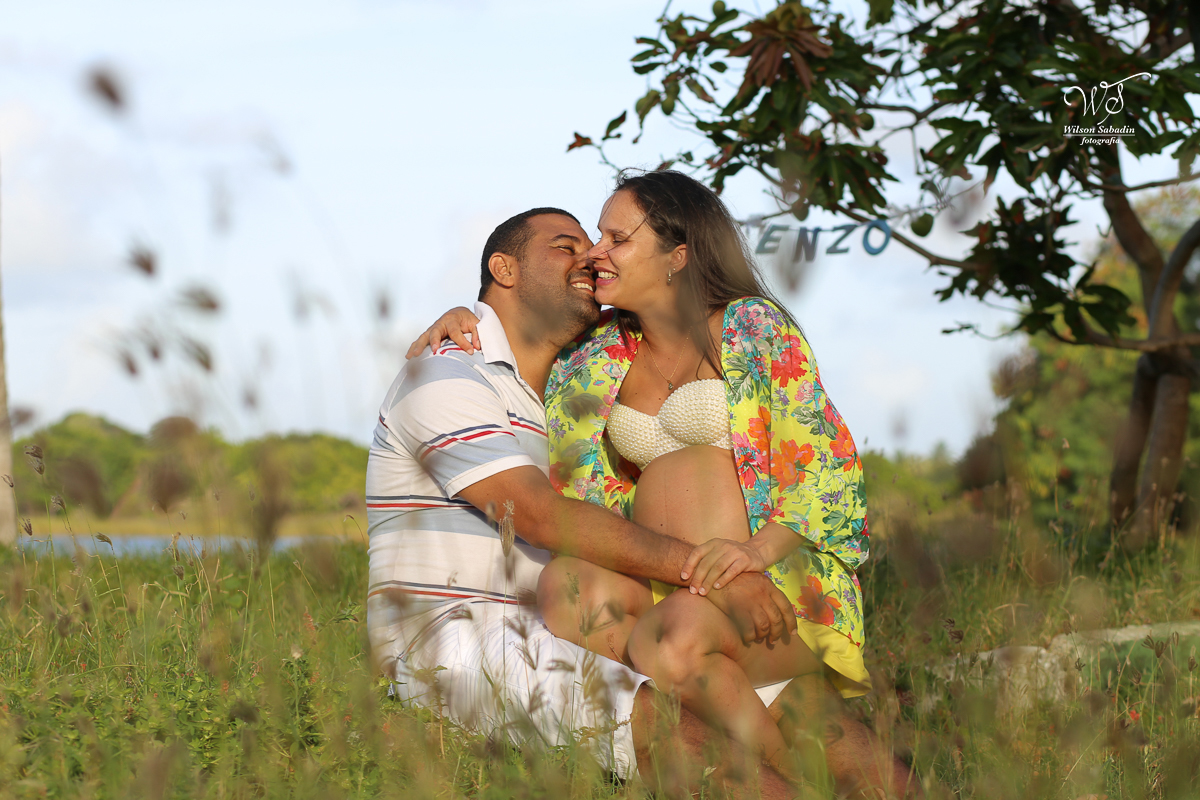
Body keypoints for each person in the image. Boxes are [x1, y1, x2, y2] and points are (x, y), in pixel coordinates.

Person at [408, 174, 922, 798]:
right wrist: (471, 317)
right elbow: (528, 363)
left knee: (711, 659)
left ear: (678, 256)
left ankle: (793, 774)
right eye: (595, 237)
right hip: (665, 585)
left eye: (616, 237)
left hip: (763, 578)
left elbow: (825, 465)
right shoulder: (595, 356)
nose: (597, 251)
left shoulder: (751, 329)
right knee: (566, 585)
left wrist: (751, 561)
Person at [369, 205, 804, 798]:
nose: (590, 256)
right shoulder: (446, 375)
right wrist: (715, 573)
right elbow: (540, 515)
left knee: (802, 722)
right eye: (564, 245)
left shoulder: (574, 389)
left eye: (596, 245)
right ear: (505, 268)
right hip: (455, 641)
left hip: (567, 620)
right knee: (679, 733)